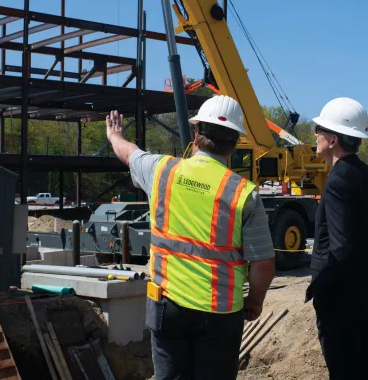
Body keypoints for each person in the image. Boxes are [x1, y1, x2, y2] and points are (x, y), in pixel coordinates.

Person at [105, 95, 276, 380]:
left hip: (166, 304)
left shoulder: (162, 170)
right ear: (234, 144)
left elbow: (129, 152)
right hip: (220, 313)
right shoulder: (244, 193)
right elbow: (264, 264)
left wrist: (114, 135)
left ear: (196, 136)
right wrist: (255, 302)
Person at [305, 97, 368, 379]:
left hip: (341, 302)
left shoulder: (339, 179)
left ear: (333, 139)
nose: (315, 135)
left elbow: (340, 248)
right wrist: (367, 271)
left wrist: (320, 287)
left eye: (319, 130)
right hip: (365, 295)